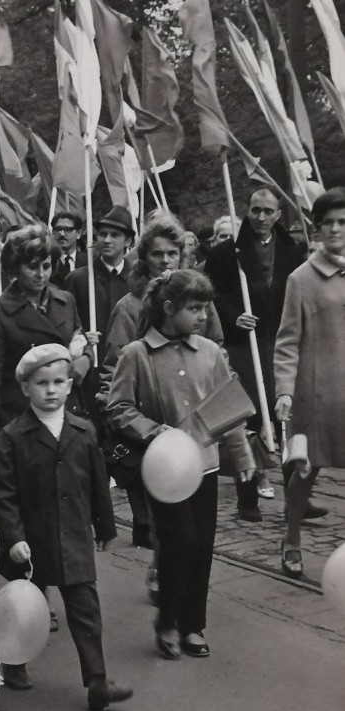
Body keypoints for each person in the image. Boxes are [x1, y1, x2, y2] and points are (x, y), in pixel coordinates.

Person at [106, 270, 254, 660]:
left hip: (204, 466)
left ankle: (193, 624)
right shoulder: (136, 354)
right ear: (169, 308)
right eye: (194, 308)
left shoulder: (209, 352)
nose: (203, 316)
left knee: (202, 545)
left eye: (205, 308)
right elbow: (118, 407)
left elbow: (229, 408)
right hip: (164, 471)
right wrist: (157, 433)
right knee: (178, 542)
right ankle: (168, 619)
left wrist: (242, 459)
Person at [0, 344, 132, 711]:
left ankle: (98, 681)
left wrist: (104, 526)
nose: (50, 390)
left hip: (73, 536)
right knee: (26, 607)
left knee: (86, 608)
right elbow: (3, 493)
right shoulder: (12, 436)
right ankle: (14, 661)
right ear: (25, 388)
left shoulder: (82, 431)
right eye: (41, 383)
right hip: (31, 540)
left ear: (70, 386)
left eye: (58, 382)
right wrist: (13, 538)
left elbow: (98, 483)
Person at [103, 210, 229, 542]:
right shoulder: (129, 307)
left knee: (194, 537)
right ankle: (165, 574)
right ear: (143, 258)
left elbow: (214, 346)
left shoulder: (197, 301)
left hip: (198, 439)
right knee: (167, 531)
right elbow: (114, 373)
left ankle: (168, 574)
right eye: (157, 253)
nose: (165, 260)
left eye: (172, 253)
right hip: (152, 432)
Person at [205, 189, 308, 507]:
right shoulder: (226, 253)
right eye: (255, 210)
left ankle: (297, 498)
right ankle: (247, 495)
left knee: (288, 418)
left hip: (280, 341)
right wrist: (235, 316)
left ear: (279, 215)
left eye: (268, 211)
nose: (261, 217)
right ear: (247, 212)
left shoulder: (293, 251)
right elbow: (211, 293)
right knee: (247, 418)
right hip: (244, 344)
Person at [274, 188, 345, 578]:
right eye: (328, 222)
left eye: (342, 222)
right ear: (316, 228)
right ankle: (291, 536)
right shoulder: (300, 279)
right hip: (314, 395)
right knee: (304, 471)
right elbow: (287, 341)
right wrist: (283, 391)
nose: (335, 229)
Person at [0, 225, 93, 446]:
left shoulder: (65, 300)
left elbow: (82, 342)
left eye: (46, 266)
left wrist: (83, 362)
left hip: (67, 411)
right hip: (22, 421)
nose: (41, 274)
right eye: (32, 267)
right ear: (15, 268)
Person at [65, 205, 134, 368]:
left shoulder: (138, 280)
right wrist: (81, 338)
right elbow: (66, 325)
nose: (107, 240)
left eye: (115, 235)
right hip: (90, 367)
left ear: (128, 241)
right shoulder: (78, 279)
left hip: (129, 367)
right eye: (103, 234)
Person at [49, 210, 87, 288]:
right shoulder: (47, 261)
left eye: (68, 229)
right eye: (58, 229)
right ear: (52, 232)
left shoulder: (89, 261)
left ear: (78, 233)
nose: (62, 234)